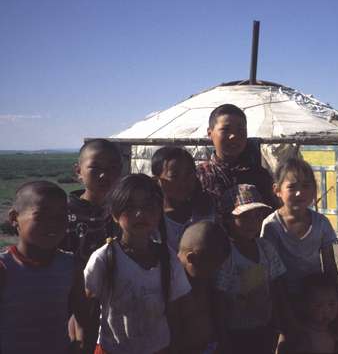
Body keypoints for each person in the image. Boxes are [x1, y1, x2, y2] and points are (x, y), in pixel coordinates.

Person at [84, 174, 198, 354]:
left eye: (148, 207)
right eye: (130, 208)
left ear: (159, 212)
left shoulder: (167, 258)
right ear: (115, 214)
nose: (140, 214)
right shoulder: (104, 259)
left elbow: (177, 309)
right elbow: (86, 311)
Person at [1, 181, 88, 354]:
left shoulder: (71, 266)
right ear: (14, 218)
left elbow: (83, 316)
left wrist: (82, 345)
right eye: (41, 216)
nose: (53, 224)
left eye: (61, 216)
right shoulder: (5, 268)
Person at [60, 139, 123, 353]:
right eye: (95, 168)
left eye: (113, 169)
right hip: (69, 304)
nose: (104, 175)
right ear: (78, 171)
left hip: (117, 304)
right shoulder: (61, 212)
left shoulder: (127, 210)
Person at [214, 184, 290, 354]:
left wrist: (283, 327)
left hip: (266, 328)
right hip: (236, 333)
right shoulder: (227, 255)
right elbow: (218, 300)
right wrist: (223, 339)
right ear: (227, 218)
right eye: (245, 217)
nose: (253, 223)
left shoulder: (265, 248)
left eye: (257, 216)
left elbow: (277, 288)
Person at [261, 157, 338, 295]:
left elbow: (329, 265)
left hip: (316, 297)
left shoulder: (321, 223)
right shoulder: (271, 226)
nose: (299, 193)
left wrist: (337, 300)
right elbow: (270, 270)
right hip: (283, 295)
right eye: (291, 187)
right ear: (277, 190)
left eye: (306, 186)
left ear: (314, 189)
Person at [197, 104, 279, 222]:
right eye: (225, 130)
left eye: (240, 130)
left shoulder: (260, 176)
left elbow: (272, 217)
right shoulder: (200, 176)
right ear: (210, 133)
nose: (233, 136)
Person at [177, 221, 231, 354]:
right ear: (191, 259)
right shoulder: (170, 284)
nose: (214, 272)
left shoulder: (202, 279)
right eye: (211, 267)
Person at [151, 146, 215, 251]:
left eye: (189, 174)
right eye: (174, 176)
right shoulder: (151, 219)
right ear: (157, 180)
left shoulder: (205, 211)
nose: (183, 182)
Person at [277, 273, 338, 353]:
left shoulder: (335, 332)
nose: (326, 311)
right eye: (318, 305)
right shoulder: (302, 335)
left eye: (331, 304)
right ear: (305, 305)